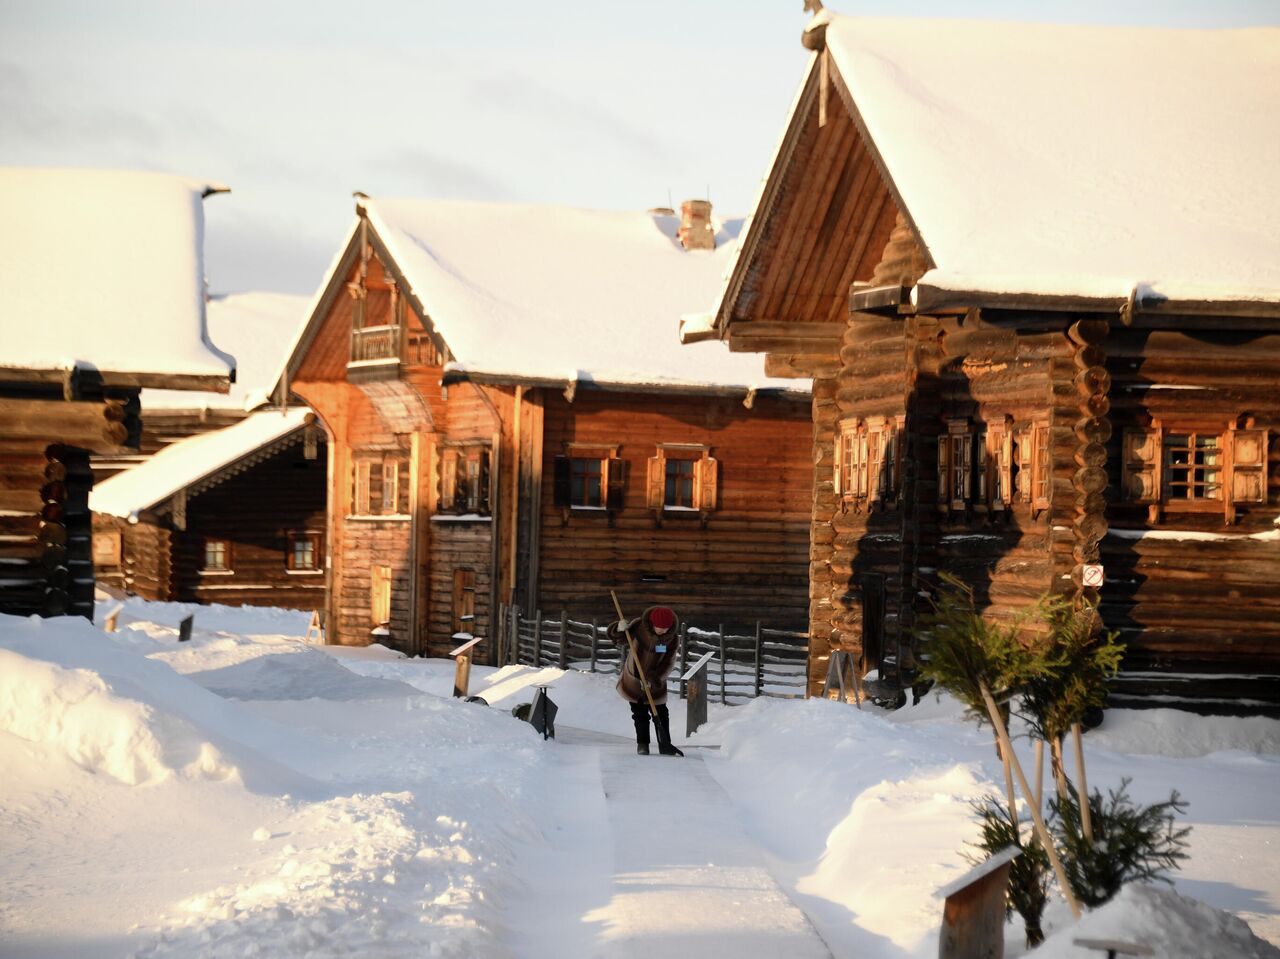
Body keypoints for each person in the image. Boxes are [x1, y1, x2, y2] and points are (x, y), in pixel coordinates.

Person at [607, 606, 684, 757]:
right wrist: (618, 628)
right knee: (639, 713)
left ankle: (665, 743)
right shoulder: (638, 626)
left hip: (655, 681)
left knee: (662, 713)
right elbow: (619, 640)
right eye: (660, 627)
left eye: (666, 628)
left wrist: (655, 678)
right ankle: (643, 744)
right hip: (633, 679)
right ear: (652, 623)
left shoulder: (672, 639)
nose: (663, 631)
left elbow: (669, 662)